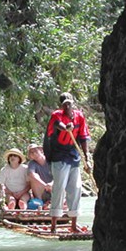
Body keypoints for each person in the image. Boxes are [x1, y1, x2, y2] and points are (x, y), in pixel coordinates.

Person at [45, 92, 91, 233]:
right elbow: (58, 125)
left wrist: (87, 159)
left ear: (73, 103)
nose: (67, 105)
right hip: (59, 156)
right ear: (61, 105)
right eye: (64, 103)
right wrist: (66, 127)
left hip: (73, 155)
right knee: (59, 188)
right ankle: (53, 226)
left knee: (75, 189)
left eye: (69, 103)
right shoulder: (56, 115)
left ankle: (73, 224)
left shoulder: (79, 116)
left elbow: (83, 137)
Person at [26, 143, 53, 209]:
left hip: (53, 187)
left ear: (41, 150)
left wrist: (51, 184)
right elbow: (32, 174)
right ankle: (41, 202)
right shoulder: (32, 164)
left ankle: (56, 201)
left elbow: (59, 175)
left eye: (35, 151)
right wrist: (45, 185)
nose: (34, 153)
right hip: (42, 190)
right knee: (33, 178)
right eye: (31, 152)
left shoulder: (51, 161)